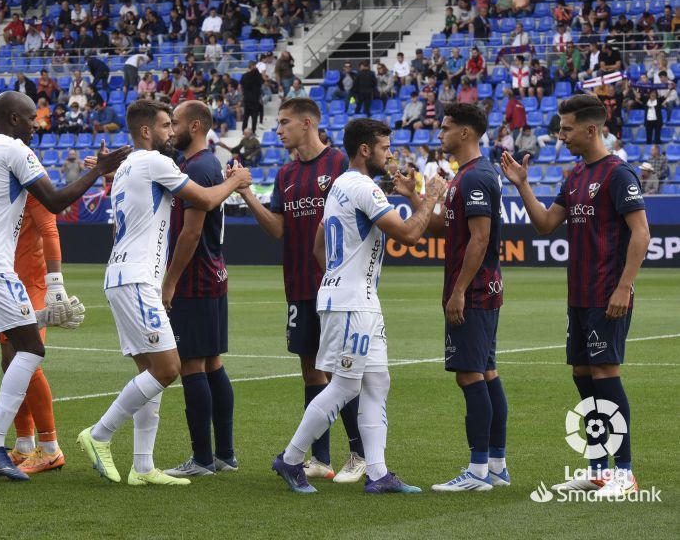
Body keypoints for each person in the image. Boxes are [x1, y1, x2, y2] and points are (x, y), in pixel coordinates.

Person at [0, 92, 126, 480]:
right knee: (31, 348)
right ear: (14, 119)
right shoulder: (17, 151)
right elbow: (55, 203)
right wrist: (98, 169)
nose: (37, 124)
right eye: (31, 117)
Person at [76, 100, 251, 487]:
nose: (171, 131)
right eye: (164, 125)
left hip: (122, 275)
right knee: (169, 368)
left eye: (173, 124)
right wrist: (237, 182)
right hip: (138, 279)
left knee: (149, 373)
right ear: (145, 132)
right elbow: (205, 200)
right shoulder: (155, 162)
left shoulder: (124, 170)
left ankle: (143, 467)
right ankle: (100, 434)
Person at [273, 118, 447, 494]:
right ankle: (290, 459)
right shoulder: (363, 187)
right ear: (365, 150)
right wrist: (430, 194)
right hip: (353, 302)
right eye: (385, 148)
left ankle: (378, 473)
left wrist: (340, 276)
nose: (390, 155)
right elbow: (410, 234)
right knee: (344, 387)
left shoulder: (339, 186)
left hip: (356, 298)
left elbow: (319, 246)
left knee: (377, 381)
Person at [501, 94, 649, 497]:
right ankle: (599, 468)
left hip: (608, 294)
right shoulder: (576, 176)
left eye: (566, 128)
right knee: (583, 376)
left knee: (605, 374)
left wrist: (624, 285)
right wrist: (523, 186)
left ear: (590, 129)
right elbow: (547, 224)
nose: (561, 135)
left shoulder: (618, 173)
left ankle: (626, 473)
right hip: (580, 297)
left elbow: (641, 232)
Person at [237, 98, 367, 482]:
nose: (278, 130)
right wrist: (246, 195)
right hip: (298, 286)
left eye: (284, 122)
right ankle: (321, 459)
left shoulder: (340, 163)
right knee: (311, 372)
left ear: (307, 123)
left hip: (338, 288)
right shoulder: (285, 174)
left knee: (343, 373)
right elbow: (278, 228)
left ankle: (359, 453)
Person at [407, 104, 508, 492]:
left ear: (465, 133)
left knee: (470, 375)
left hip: (475, 291)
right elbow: (443, 228)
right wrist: (413, 196)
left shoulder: (475, 177)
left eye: (445, 128)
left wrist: (460, 291)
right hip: (484, 290)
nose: (439, 135)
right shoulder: (468, 176)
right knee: (486, 372)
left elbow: (480, 239)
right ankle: (496, 466)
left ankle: (478, 472)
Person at [160, 101, 237, 477]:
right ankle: (224, 454)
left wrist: (170, 281)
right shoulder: (204, 166)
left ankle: (203, 459)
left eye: (173, 123)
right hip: (212, 275)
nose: (170, 129)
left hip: (196, 278)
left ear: (194, 126)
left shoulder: (200, 167)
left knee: (193, 363)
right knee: (212, 362)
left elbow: (191, 232)